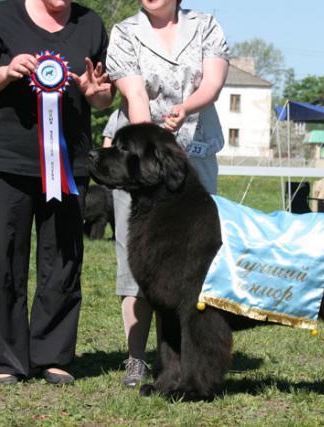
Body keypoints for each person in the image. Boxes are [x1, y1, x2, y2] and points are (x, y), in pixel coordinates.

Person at [0, 0, 114, 386]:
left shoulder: (91, 24)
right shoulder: (2, 15)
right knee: (5, 259)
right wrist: (6, 72)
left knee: (63, 259)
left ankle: (54, 355)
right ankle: (5, 360)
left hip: (69, 164)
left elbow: (103, 94)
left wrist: (97, 93)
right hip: (9, 161)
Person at [105, 0, 229, 387]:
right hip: (137, 160)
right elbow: (136, 96)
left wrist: (185, 107)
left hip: (194, 155)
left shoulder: (206, 25)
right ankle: (138, 360)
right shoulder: (125, 31)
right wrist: (150, 145)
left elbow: (212, 84)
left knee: (195, 270)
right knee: (137, 264)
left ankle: (192, 363)